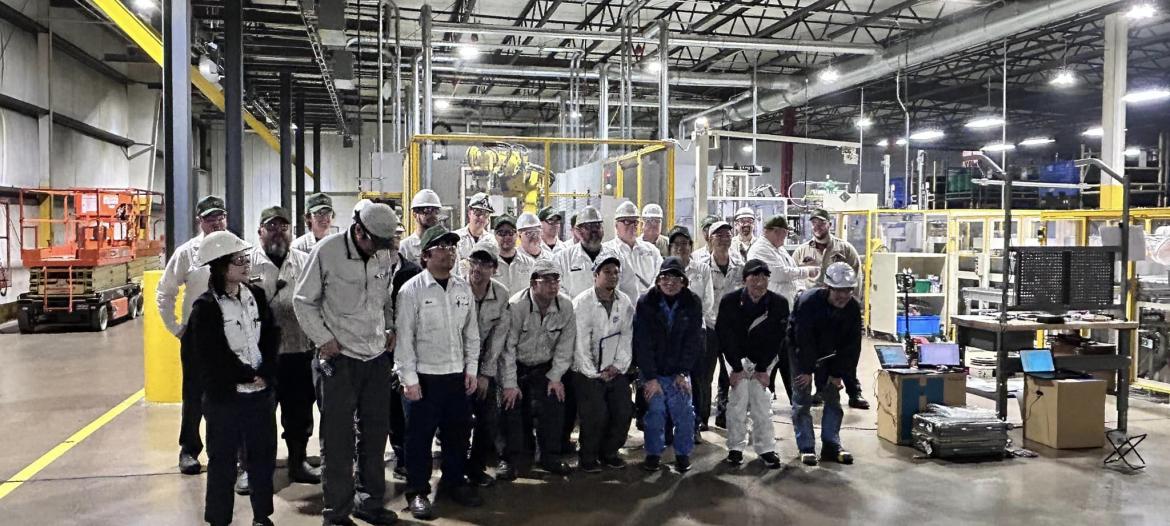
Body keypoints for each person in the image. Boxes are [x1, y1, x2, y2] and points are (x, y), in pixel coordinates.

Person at [293, 201, 401, 526]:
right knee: (338, 441)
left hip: (375, 359)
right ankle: (336, 514)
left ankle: (369, 502)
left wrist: (390, 326)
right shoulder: (327, 252)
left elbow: (385, 297)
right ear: (358, 231)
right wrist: (323, 339)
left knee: (375, 434)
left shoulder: (382, 252)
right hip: (339, 360)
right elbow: (303, 301)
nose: (380, 252)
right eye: (375, 244)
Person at [187, 230, 279, 526]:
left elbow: (271, 337)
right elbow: (212, 356)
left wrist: (265, 375)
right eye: (238, 260)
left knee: (261, 461)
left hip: (259, 396)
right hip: (225, 399)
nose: (245, 264)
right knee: (222, 464)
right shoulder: (206, 308)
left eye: (245, 258)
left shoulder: (257, 296)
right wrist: (246, 375)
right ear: (220, 266)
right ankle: (218, 519)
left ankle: (262, 516)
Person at [394, 225, 484, 520]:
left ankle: (454, 482)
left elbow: (471, 333)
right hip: (425, 378)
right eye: (442, 248)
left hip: (455, 376)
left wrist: (471, 369)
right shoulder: (412, 291)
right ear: (425, 255)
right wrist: (409, 380)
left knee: (457, 434)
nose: (449, 253)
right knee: (418, 439)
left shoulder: (462, 289)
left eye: (452, 248)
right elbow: (404, 338)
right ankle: (418, 492)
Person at [248, 206, 320, 485]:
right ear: (260, 232)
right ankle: (251, 469)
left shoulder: (306, 262)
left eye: (283, 227)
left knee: (299, 413)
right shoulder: (247, 263)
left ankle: (298, 462)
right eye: (271, 227)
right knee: (257, 415)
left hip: (299, 351)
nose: (278, 232)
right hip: (259, 356)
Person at [157, 195, 228, 477]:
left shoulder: (236, 249)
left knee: (226, 395)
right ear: (200, 221)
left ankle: (223, 448)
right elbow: (165, 292)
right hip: (197, 336)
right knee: (194, 395)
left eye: (220, 216)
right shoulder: (187, 252)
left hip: (230, 334)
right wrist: (176, 327)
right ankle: (188, 449)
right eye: (210, 218)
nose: (216, 222)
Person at [500, 259, 577, 477]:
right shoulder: (516, 306)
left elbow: (565, 346)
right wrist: (509, 383)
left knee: (555, 402)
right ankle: (510, 459)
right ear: (534, 284)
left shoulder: (566, 306)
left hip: (546, 366)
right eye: (548, 280)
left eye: (556, 280)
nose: (554, 285)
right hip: (517, 365)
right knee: (510, 405)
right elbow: (508, 347)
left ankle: (550, 457)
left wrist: (555, 377)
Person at [791, 208, 868, 410]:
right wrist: (800, 296)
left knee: (846, 350)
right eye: (814, 222)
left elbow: (857, 277)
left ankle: (854, 392)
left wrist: (853, 303)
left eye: (821, 222)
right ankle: (820, 390)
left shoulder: (845, 249)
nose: (817, 226)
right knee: (818, 352)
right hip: (813, 309)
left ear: (829, 224)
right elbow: (795, 278)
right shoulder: (802, 251)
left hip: (841, 307)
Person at [632, 257, 703, 473]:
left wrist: (683, 372)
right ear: (658, 280)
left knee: (684, 412)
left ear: (684, 281)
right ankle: (653, 454)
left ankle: (682, 454)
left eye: (675, 278)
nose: (669, 282)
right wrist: (650, 378)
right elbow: (641, 343)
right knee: (655, 411)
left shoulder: (692, 302)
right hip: (653, 372)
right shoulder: (646, 302)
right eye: (665, 277)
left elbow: (693, 341)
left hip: (678, 372)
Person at [716, 259, 788, 469]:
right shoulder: (729, 301)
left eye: (764, 277)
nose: (759, 282)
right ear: (744, 280)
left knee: (761, 402)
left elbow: (777, 340)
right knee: (737, 401)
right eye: (754, 277)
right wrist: (736, 368)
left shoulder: (779, 303)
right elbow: (724, 335)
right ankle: (735, 448)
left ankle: (766, 448)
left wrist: (762, 369)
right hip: (735, 357)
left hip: (763, 360)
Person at [789, 262, 861, 467]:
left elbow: (852, 347)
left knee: (832, 397)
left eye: (847, 290)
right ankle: (806, 446)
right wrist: (806, 370)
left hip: (832, 353)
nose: (843, 296)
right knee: (802, 397)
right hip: (800, 349)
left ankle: (831, 445)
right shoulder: (808, 302)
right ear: (827, 287)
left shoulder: (852, 308)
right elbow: (803, 338)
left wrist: (838, 374)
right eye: (838, 290)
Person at [570, 251, 635, 473]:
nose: (613, 276)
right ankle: (588, 455)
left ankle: (610, 452)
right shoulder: (581, 303)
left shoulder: (624, 302)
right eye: (607, 272)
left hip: (613, 368)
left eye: (616, 272)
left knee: (623, 407)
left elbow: (627, 337)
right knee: (595, 411)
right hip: (585, 370)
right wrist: (595, 374)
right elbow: (579, 345)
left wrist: (618, 367)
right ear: (595, 275)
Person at [463, 240, 512, 487]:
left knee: (488, 419)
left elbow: (498, 339)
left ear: (494, 268)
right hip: (456, 366)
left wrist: (484, 374)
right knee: (458, 422)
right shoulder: (456, 288)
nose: (478, 268)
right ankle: (456, 470)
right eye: (474, 262)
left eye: (485, 263)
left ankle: (476, 468)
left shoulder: (501, 295)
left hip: (484, 367)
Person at [665, 226, 714, 443]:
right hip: (670, 336)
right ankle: (668, 428)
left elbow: (707, 301)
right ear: (669, 248)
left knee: (698, 379)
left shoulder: (702, 269)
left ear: (691, 247)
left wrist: (687, 320)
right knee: (671, 379)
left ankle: (694, 426)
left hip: (696, 332)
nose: (681, 248)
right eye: (676, 244)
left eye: (685, 244)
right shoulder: (663, 270)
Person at [699, 221, 743, 430]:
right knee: (705, 375)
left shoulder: (739, 264)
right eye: (719, 235)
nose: (724, 238)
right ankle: (701, 417)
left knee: (728, 375)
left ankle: (724, 414)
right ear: (710, 238)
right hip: (708, 327)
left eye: (727, 234)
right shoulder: (701, 266)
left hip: (731, 329)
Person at [745, 215, 818, 305]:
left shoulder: (779, 248)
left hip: (787, 304)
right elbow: (777, 273)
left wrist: (800, 291)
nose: (786, 236)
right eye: (785, 232)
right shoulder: (759, 249)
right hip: (771, 307)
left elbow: (793, 272)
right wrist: (807, 272)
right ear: (776, 231)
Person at [603, 201, 662, 302]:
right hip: (621, 311)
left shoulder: (652, 250)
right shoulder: (606, 251)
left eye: (635, 222)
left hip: (650, 309)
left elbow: (661, 275)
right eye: (626, 222)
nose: (632, 226)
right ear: (616, 225)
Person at [491, 214, 535, 292]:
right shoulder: (488, 264)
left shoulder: (529, 264)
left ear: (517, 235)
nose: (506, 237)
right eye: (501, 233)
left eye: (510, 232)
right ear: (495, 235)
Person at [400, 189, 444, 265]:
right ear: (415, 214)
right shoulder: (405, 247)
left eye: (436, 210)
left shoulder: (445, 245)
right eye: (428, 210)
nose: (433, 215)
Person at [455, 192, 496, 267]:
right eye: (477, 212)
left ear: (488, 219)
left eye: (485, 214)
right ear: (469, 213)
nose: (481, 217)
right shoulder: (456, 238)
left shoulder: (493, 241)